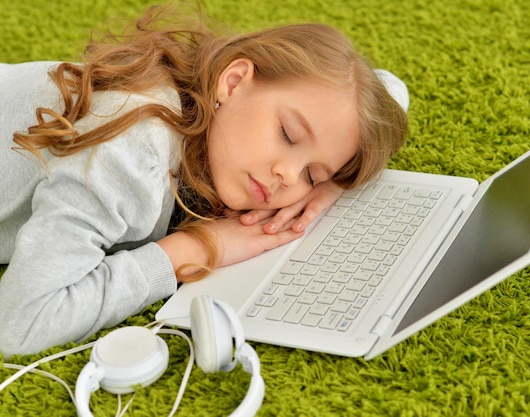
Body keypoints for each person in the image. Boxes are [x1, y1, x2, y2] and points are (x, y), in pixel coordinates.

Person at [0, 3, 408, 356]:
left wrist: (334, 180)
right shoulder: (135, 151)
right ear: (233, 82)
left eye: (310, 173)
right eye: (288, 135)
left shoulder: (215, 108)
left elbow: (389, 91)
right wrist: (190, 250)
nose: (288, 175)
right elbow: (23, 321)